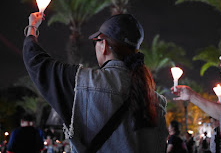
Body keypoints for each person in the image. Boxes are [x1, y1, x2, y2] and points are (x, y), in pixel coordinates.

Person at [23, 12, 168, 152]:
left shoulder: (82, 82)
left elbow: (36, 62)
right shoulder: (157, 102)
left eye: (96, 41)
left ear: (104, 45)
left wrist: (32, 27)